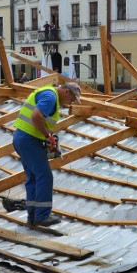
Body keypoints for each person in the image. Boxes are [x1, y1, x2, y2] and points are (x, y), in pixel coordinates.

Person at [13, 82, 82, 227]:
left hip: (22, 138)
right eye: (72, 99)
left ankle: (32, 215)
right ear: (67, 92)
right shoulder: (51, 97)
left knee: (33, 177)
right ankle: (42, 216)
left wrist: (47, 136)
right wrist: (47, 136)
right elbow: (36, 116)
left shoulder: (48, 93)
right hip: (29, 139)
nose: (71, 103)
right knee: (44, 176)